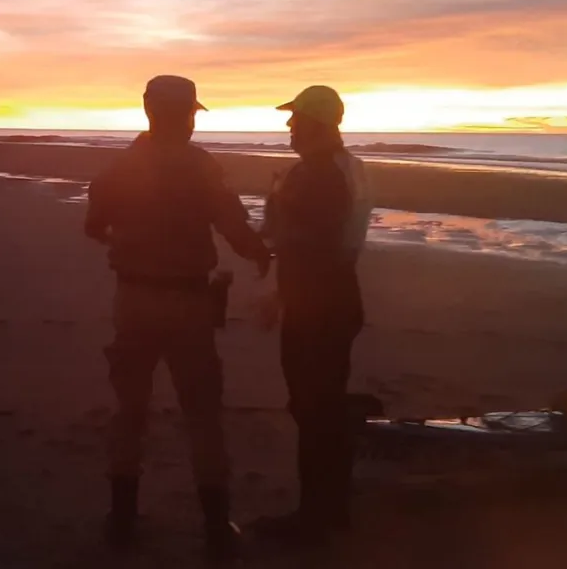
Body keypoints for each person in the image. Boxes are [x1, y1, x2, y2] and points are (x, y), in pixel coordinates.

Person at [85, 75, 271, 560]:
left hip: (133, 299)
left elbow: (93, 225)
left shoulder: (122, 165)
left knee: (130, 411)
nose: (191, 122)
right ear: (184, 115)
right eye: (191, 113)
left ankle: (121, 519)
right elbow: (232, 223)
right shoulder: (200, 166)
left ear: (148, 110)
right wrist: (261, 253)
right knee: (203, 415)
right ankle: (214, 525)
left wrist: (129, 247)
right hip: (188, 304)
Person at [251, 85, 374, 543]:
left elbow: (306, 246)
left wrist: (278, 294)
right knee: (321, 405)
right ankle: (331, 506)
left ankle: (316, 516)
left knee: (312, 407)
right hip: (336, 297)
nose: (288, 126)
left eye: (295, 119)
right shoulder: (347, 168)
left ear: (316, 124)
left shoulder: (319, 174)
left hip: (317, 303)